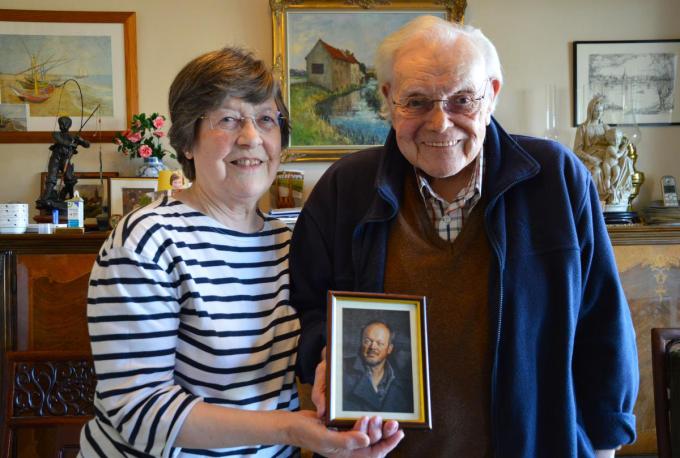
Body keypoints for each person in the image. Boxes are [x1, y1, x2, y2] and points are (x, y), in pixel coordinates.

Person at [291, 16, 638, 457]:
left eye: (461, 100)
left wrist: (605, 445)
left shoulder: (556, 177)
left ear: (491, 94)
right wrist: (324, 356)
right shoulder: (345, 188)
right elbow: (307, 309)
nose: (439, 124)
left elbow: (602, 321)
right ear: (387, 99)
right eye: (416, 101)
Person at [80, 47, 403, 458]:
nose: (251, 138)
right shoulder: (147, 240)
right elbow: (140, 410)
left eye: (266, 119)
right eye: (228, 119)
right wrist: (293, 431)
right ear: (187, 141)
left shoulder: (287, 241)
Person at [573, 95, 634, 207]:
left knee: (626, 161)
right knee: (596, 172)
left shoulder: (606, 127)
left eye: (601, 111)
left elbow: (616, 140)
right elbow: (577, 150)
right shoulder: (583, 128)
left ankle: (613, 193)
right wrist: (591, 159)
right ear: (590, 111)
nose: (599, 113)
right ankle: (595, 202)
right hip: (591, 160)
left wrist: (625, 143)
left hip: (607, 157)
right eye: (596, 111)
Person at [343, 321, 413, 413]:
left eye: (380, 343)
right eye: (367, 341)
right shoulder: (341, 370)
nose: (373, 347)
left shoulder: (405, 386)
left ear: (389, 349)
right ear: (361, 343)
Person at [37, 115, 90, 210]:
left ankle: (71, 197)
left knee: (70, 179)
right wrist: (71, 144)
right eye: (61, 123)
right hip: (55, 158)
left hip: (66, 159)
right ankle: (46, 197)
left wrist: (80, 140)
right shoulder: (56, 134)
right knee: (51, 177)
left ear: (69, 125)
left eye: (65, 124)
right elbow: (60, 140)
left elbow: (87, 145)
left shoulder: (73, 136)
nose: (63, 125)